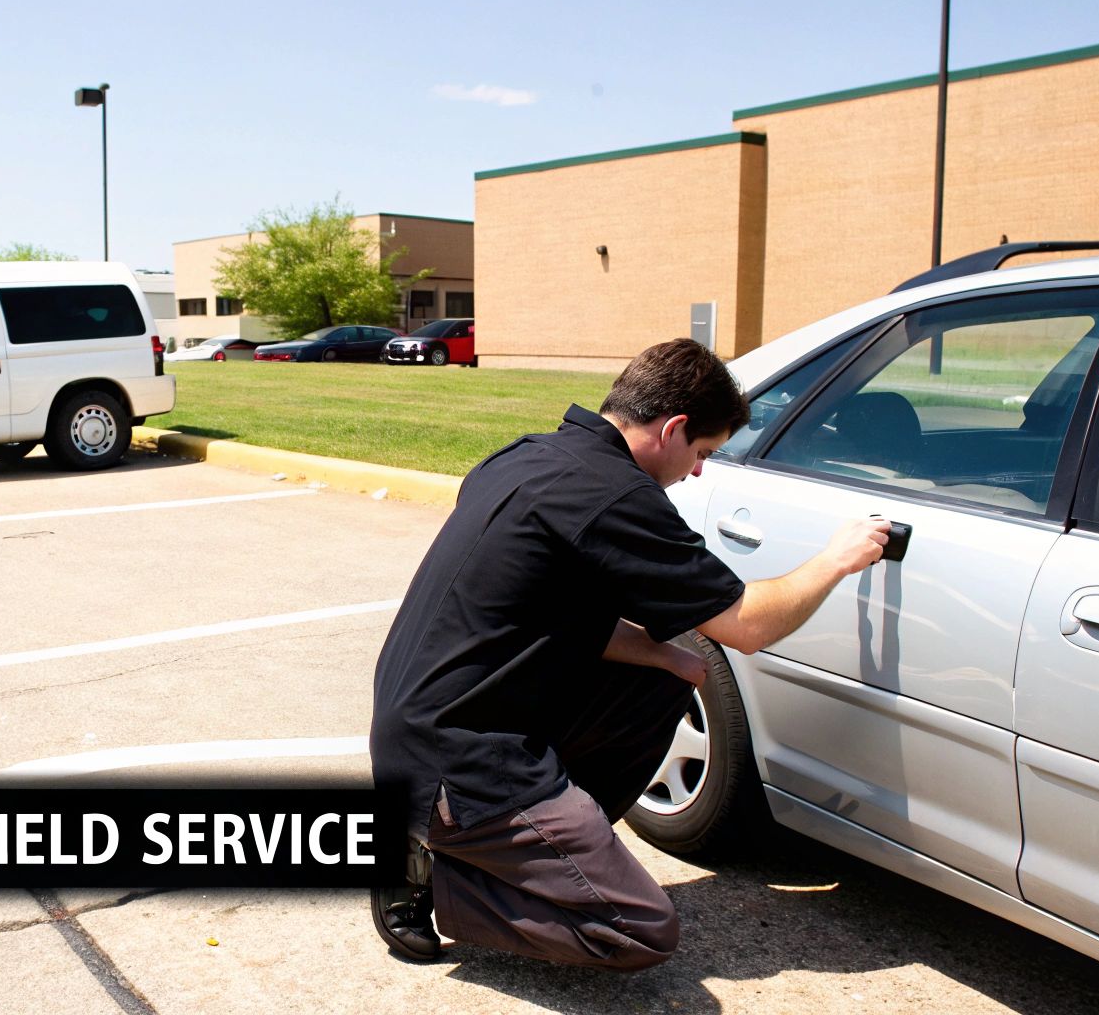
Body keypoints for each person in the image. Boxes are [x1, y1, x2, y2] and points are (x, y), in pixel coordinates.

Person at [369, 338, 888, 967]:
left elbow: (535, 615)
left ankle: (514, 843)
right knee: (637, 932)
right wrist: (839, 558)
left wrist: (663, 656)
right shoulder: (614, 496)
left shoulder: (528, 455)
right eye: (701, 453)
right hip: (461, 758)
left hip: (424, 721)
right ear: (672, 429)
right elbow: (749, 624)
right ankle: (430, 868)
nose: (698, 470)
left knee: (670, 673)